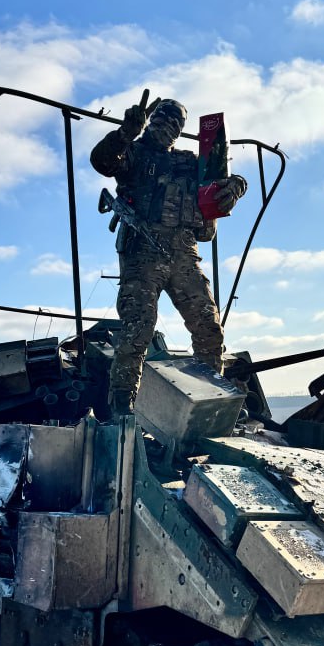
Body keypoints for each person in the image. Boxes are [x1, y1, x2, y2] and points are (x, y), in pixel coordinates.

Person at [91, 95, 248, 415]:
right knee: (139, 326)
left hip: (184, 253)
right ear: (152, 121)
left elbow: (220, 181)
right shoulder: (134, 153)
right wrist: (125, 132)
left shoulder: (190, 163)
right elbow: (103, 161)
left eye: (176, 123)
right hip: (143, 250)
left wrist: (237, 185)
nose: (169, 127)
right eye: (163, 119)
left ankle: (211, 403)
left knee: (208, 327)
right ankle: (122, 405)